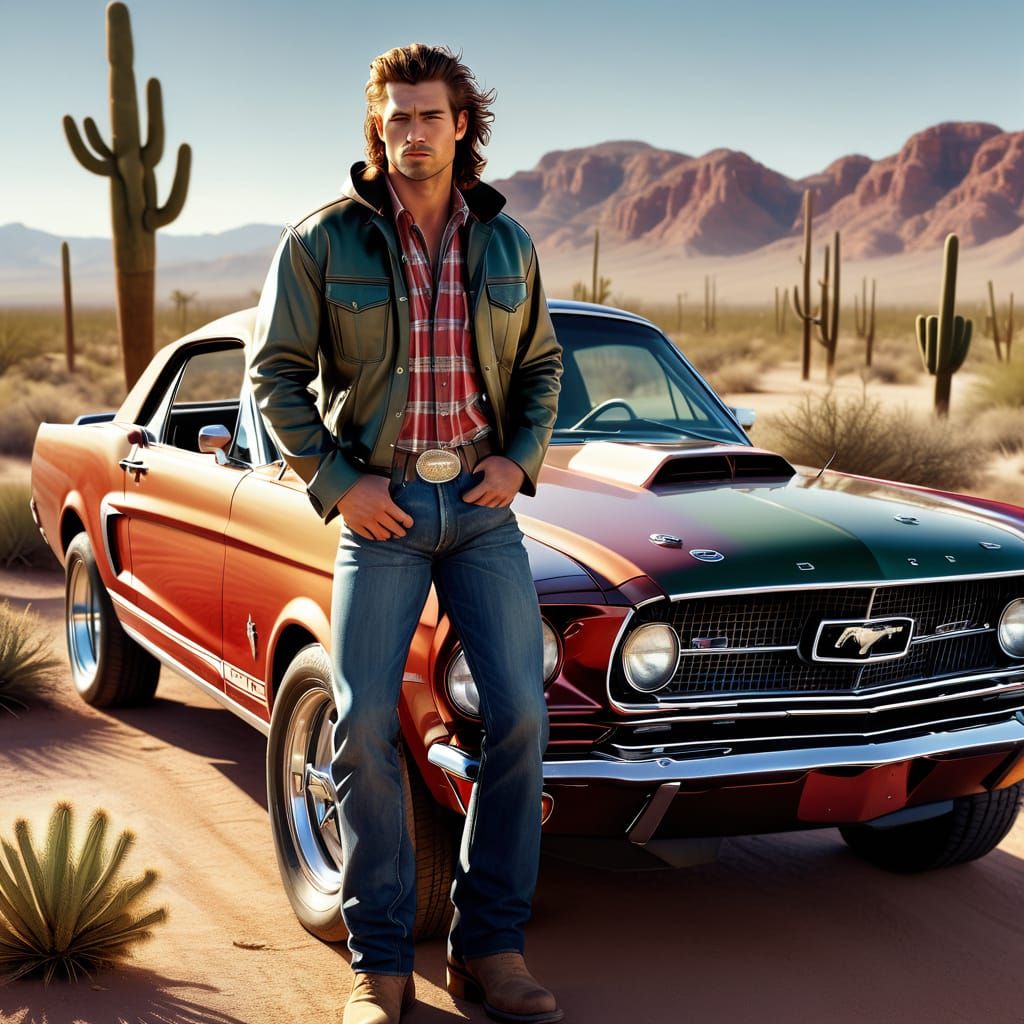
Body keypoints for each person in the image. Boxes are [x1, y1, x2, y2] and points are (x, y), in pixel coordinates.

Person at [248, 43, 564, 1024]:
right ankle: (378, 963)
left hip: (480, 511)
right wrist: (340, 484)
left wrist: (517, 461)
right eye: (396, 118)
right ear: (376, 128)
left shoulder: (506, 244)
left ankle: (489, 948)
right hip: (379, 512)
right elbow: (273, 374)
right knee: (362, 723)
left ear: (462, 125)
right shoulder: (323, 241)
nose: (412, 133)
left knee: (520, 717)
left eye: (430, 116)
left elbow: (542, 365)